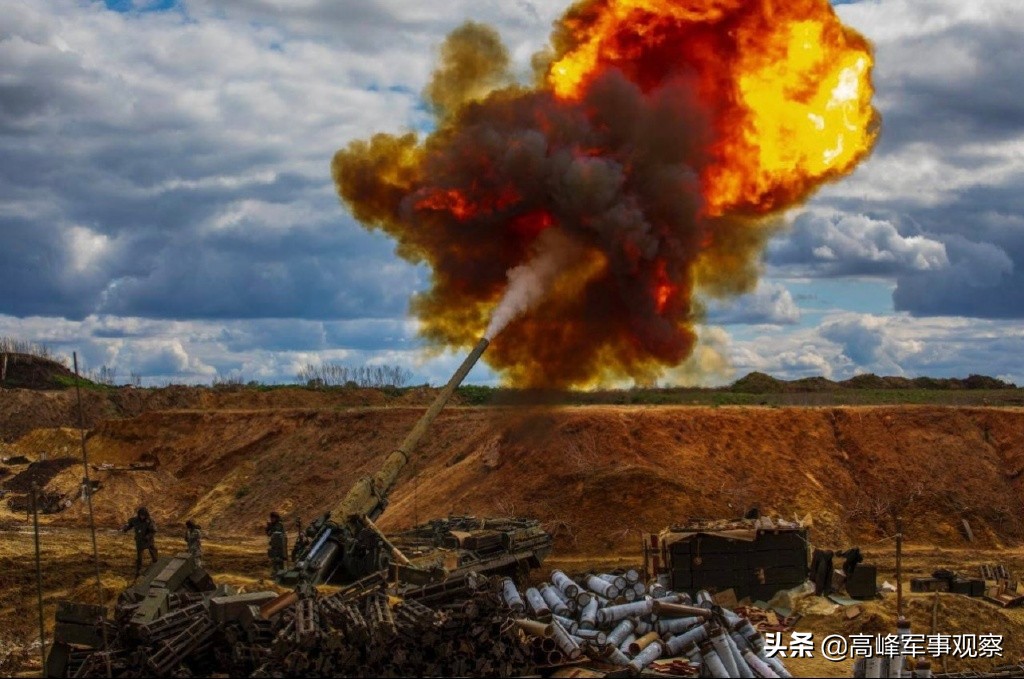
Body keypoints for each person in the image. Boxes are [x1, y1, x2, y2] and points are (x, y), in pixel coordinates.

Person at [122, 506, 158, 578]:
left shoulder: (150, 521)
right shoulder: (135, 520)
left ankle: (156, 564)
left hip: (148, 541)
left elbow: (153, 531)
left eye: (143, 515)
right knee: (139, 557)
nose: (142, 517)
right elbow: (130, 525)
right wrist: (126, 528)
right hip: (139, 541)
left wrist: (147, 537)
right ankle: (138, 570)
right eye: (141, 515)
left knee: (153, 552)